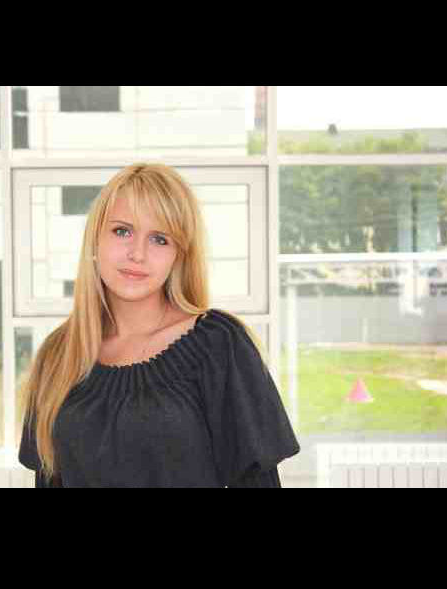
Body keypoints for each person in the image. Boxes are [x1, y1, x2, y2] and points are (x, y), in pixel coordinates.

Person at [18, 163, 300, 488]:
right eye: (122, 231)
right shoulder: (58, 354)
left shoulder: (219, 344)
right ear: (95, 240)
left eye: (159, 239)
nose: (137, 254)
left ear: (179, 255)